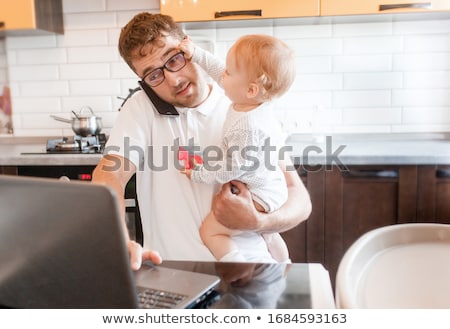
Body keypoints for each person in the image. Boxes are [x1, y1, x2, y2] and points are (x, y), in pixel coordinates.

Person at [91, 12, 312, 270]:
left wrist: (257, 222)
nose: (173, 79)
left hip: (252, 269)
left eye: (174, 59)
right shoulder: (140, 108)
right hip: (175, 274)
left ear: (188, 47)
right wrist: (118, 240)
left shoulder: (243, 103)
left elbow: (299, 199)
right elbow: (109, 175)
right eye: (153, 75)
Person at [179, 35, 295, 262]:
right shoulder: (252, 100)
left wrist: (199, 173)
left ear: (251, 89)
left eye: (229, 72)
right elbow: (217, 69)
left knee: (211, 231)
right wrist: (195, 53)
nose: (223, 75)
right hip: (271, 186)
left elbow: (232, 169)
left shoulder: (246, 126)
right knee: (269, 235)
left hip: (261, 193)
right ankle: (285, 266)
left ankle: (237, 268)